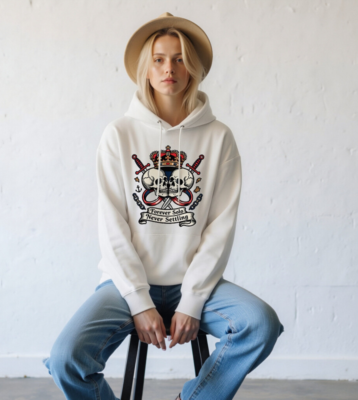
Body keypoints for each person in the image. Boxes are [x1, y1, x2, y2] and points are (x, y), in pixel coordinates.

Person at [42, 12, 284, 400]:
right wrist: (139, 302)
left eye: (179, 59)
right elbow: (112, 227)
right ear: (146, 68)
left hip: (196, 283)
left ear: (193, 68)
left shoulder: (219, 138)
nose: (169, 68)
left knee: (260, 324)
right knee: (65, 359)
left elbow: (219, 229)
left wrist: (193, 300)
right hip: (125, 285)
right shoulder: (118, 135)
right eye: (159, 59)